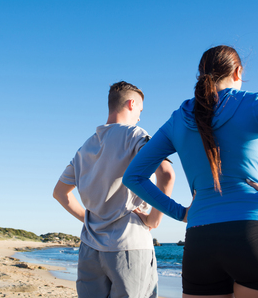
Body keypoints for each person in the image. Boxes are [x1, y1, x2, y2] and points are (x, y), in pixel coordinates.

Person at [123, 45, 258, 298]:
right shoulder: (256, 104)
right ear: (238, 72)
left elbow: (133, 176)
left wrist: (181, 213)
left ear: (201, 75)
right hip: (254, 235)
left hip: (200, 241)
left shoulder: (178, 119)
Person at [53, 81, 175, 298]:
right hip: (130, 244)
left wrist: (89, 219)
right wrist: (154, 219)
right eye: (140, 110)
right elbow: (166, 174)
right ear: (131, 104)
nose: (139, 116)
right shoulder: (135, 135)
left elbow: (60, 193)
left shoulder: (85, 147)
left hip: (90, 248)